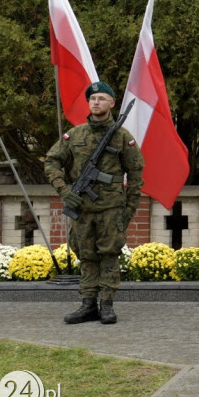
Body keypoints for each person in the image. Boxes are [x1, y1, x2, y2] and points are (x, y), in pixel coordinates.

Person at [45, 81, 144, 325]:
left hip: (111, 208)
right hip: (82, 208)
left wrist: (128, 211)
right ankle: (88, 303)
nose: (96, 102)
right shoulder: (75, 134)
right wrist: (64, 190)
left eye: (101, 98)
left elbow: (136, 175)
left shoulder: (122, 137)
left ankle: (107, 304)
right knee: (86, 255)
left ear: (111, 104)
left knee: (109, 255)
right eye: (92, 99)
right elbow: (51, 161)